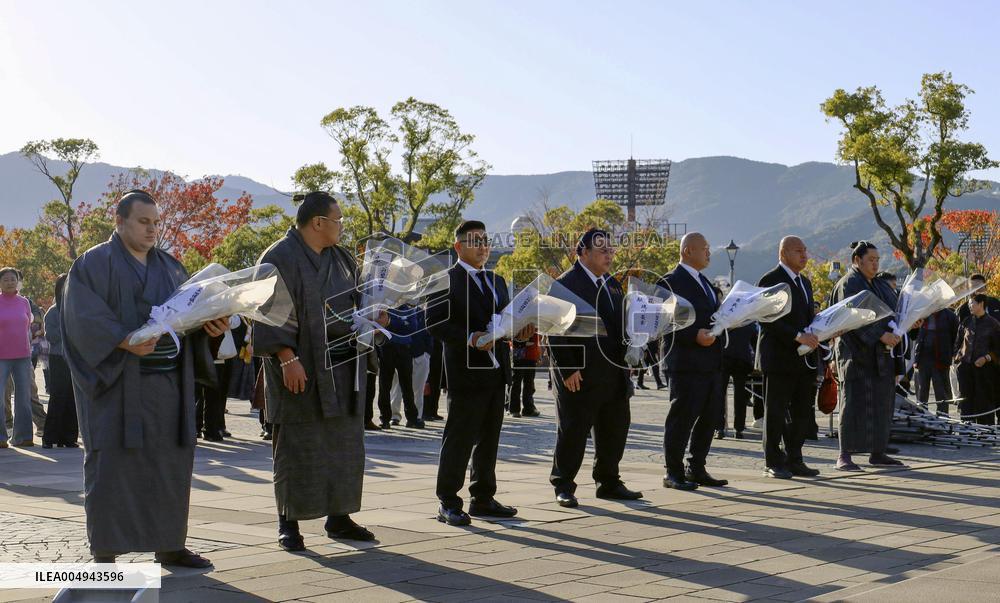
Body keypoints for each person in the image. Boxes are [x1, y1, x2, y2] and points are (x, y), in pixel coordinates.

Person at [62, 190, 226, 566]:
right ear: (119, 222)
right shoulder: (93, 264)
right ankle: (105, 551)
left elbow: (190, 322)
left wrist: (210, 328)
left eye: (156, 222)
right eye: (143, 221)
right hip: (117, 384)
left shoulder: (172, 267)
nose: (152, 230)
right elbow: (80, 318)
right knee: (112, 468)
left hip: (167, 386)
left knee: (169, 464)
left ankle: (169, 543)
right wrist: (123, 340)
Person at [254, 191, 387, 550]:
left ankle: (339, 517)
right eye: (338, 219)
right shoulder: (279, 257)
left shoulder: (342, 258)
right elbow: (269, 314)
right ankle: (289, 524)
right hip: (299, 365)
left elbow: (359, 301)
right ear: (317, 223)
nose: (343, 226)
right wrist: (285, 357)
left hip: (343, 366)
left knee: (343, 444)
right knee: (297, 445)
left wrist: (375, 318)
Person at [425, 220, 533, 525]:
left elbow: (504, 322)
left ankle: (483, 497)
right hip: (465, 373)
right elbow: (434, 321)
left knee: (489, 437)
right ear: (459, 247)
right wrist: (470, 338)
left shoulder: (497, 281)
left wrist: (519, 333)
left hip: (496, 372)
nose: (483, 246)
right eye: (475, 241)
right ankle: (448, 500)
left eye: (486, 241)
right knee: (459, 438)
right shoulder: (446, 280)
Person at [547, 229, 641, 508]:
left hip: (612, 369)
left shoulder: (613, 284)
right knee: (574, 430)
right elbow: (553, 330)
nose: (609, 255)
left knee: (615, 427)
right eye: (602, 250)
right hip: (581, 371)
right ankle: (563, 484)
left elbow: (621, 325)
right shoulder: (565, 284)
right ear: (583, 252)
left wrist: (634, 348)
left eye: (611, 250)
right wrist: (568, 369)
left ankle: (608, 480)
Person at [657, 233, 727, 490]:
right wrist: (692, 334)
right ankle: (672, 471)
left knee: (710, 417)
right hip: (685, 361)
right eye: (705, 248)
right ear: (687, 251)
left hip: (711, 361)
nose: (709, 253)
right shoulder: (670, 281)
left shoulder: (706, 282)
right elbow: (662, 321)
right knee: (682, 417)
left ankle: (696, 467)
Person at [829, 241, 903, 471]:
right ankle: (844, 454)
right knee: (853, 403)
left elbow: (894, 309)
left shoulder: (879, 284)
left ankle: (877, 451)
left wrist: (909, 321)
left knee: (882, 402)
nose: (875, 263)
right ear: (857, 260)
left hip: (881, 354)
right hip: (855, 352)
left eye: (877, 260)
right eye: (871, 259)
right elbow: (852, 318)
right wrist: (881, 335)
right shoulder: (849, 283)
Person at [756, 236, 821, 479]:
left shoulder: (804, 281)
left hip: (804, 359)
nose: (804, 255)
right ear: (783, 254)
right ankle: (773, 461)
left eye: (805, 250)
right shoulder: (771, 279)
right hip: (779, 357)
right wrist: (796, 336)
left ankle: (795, 458)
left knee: (803, 411)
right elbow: (765, 318)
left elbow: (805, 319)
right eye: (798, 251)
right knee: (775, 411)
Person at [42, 274, 79, 448]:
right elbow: (51, 336)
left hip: (75, 358)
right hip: (58, 358)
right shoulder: (53, 311)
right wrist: (69, 328)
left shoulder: (79, 309)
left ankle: (68, 438)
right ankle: (49, 438)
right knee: (58, 396)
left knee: (73, 398)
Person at [0, 267, 34, 448]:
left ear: (18, 281)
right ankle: (1, 438)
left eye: (13, 279)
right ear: (0, 283)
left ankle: (23, 437)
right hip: (1, 356)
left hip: (23, 355)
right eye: (5, 279)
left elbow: (27, 325)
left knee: (24, 396)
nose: (10, 282)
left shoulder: (24, 302)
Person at [954, 294, 1000, 425]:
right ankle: (966, 430)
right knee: (966, 401)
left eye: (972, 303)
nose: (970, 306)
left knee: (984, 401)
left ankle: (985, 432)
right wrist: (958, 359)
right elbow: (958, 342)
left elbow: (998, 349)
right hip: (965, 368)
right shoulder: (966, 321)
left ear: (981, 304)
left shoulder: (993, 324)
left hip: (985, 371)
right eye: (969, 304)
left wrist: (987, 358)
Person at [378, 303, 424, 429]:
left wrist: (390, 324)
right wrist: (395, 325)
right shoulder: (384, 308)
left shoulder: (408, 310)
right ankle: (385, 418)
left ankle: (412, 418)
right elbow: (381, 325)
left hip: (404, 350)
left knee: (407, 386)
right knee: (385, 386)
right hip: (387, 349)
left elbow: (412, 328)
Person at [912, 308, 959, 414]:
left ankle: (943, 419)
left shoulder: (949, 316)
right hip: (922, 358)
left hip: (941, 359)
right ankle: (922, 416)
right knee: (921, 392)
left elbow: (956, 336)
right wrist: (914, 327)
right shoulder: (922, 313)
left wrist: (952, 354)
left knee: (941, 393)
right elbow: (913, 335)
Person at [717, 323, 756, 440]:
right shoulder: (748, 320)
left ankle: (719, 428)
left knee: (720, 394)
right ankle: (739, 429)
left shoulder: (725, 316)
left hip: (724, 357)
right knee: (740, 395)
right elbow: (754, 342)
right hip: (742, 359)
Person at [508, 332, 541, 417]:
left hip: (531, 355)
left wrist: (538, 354)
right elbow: (511, 336)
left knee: (529, 383)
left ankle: (528, 408)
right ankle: (514, 409)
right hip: (519, 354)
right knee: (516, 383)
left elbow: (537, 340)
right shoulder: (518, 319)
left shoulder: (536, 321)